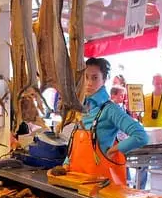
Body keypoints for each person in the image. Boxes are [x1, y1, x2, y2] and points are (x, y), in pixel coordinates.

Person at [58, 57, 148, 185]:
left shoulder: (110, 109)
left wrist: (114, 150)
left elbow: (141, 136)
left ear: (104, 80)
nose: (89, 83)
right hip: (77, 180)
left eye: (95, 78)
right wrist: (66, 163)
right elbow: (75, 144)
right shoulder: (80, 107)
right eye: (86, 77)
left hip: (100, 185)